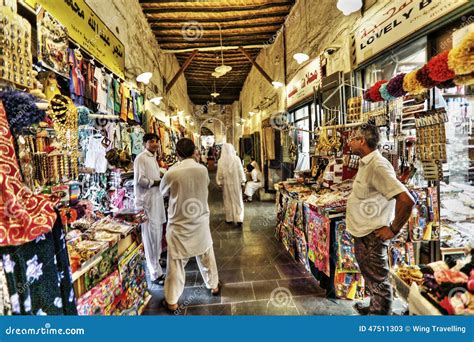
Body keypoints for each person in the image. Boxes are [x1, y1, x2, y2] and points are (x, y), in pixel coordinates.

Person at [346, 124, 415, 315]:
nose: (349, 141)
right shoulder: (368, 163)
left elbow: (407, 201)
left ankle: (380, 318)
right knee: (370, 275)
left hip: (372, 235)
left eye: (353, 138)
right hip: (363, 231)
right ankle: (375, 305)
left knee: (378, 279)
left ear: (362, 141)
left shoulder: (377, 165)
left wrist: (392, 230)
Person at [160, 138, 220, 312]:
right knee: (207, 255)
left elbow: (163, 192)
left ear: (177, 153)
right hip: (200, 221)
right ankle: (214, 286)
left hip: (179, 224)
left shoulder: (171, 173)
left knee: (176, 263)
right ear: (195, 151)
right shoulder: (202, 170)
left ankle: (172, 301)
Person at [133, 133, 167, 285]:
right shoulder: (141, 158)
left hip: (156, 201)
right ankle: (155, 273)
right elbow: (140, 180)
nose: (155, 144)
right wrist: (156, 182)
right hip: (146, 202)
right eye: (151, 141)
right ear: (145, 143)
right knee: (150, 237)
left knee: (157, 233)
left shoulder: (153, 158)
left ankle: (157, 262)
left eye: (156, 141)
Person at [216, 143, 246, 226]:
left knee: (227, 200)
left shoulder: (221, 161)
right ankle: (239, 218)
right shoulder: (236, 159)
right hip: (236, 183)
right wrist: (243, 181)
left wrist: (219, 182)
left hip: (226, 184)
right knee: (238, 199)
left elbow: (220, 173)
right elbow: (240, 170)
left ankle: (229, 218)